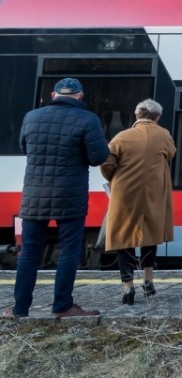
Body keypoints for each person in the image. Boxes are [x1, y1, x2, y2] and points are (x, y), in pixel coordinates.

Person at [4, 78, 110, 318]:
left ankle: (20, 309)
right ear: (80, 96)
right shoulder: (88, 119)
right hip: (69, 196)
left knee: (29, 252)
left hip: (34, 195)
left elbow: (25, 148)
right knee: (69, 251)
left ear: (53, 95)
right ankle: (62, 306)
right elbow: (98, 157)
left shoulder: (31, 117)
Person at [100, 99, 176, 305]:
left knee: (124, 239)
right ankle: (148, 281)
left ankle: (128, 288)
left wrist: (114, 178)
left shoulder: (122, 137)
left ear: (136, 116)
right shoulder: (164, 135)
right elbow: (171, 154)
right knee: (150, 237)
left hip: (125, 194)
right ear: (157, 118)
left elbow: (106, 162)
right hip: (153, 194)